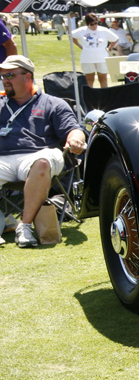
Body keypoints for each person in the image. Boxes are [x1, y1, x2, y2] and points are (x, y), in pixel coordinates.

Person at [0, 55, 85, 247]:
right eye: (3, 75)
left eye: (10, 75)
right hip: (3, 158)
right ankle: (5, 222)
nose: (5, 79)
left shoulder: (52, 103)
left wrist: (75, 140)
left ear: (27, 77)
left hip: (39, 154)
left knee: (42, 163)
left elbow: (75, 130)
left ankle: (25, 226)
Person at [71, 13, 120, 87]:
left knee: (103, 79)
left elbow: (115, 39)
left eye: (96, 23)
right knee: (89, 79)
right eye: (91, 24)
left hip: (101, 58)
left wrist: (109, 48)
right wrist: (80, 46)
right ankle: (90, 96)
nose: (94, 26)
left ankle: (104, 95)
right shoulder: (81, 30)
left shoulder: (103, 30)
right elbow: (71, 36)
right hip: (87, 59)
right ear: (87, 24)